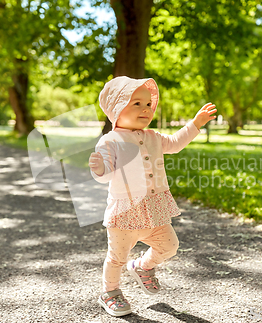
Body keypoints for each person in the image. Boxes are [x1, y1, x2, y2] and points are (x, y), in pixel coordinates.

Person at [89, 76, 216, 317]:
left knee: (169, 246)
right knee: (116, 258)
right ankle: (110, 292)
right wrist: (98, 169)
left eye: (148, 104)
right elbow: (105, 175)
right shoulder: (111, 141)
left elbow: (176, 143)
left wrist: (195, 124)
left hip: (154, 209)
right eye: (136, 103)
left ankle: (142, 267)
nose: (145, 109)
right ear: (117, 108)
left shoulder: (154, 137)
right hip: (125, 212)